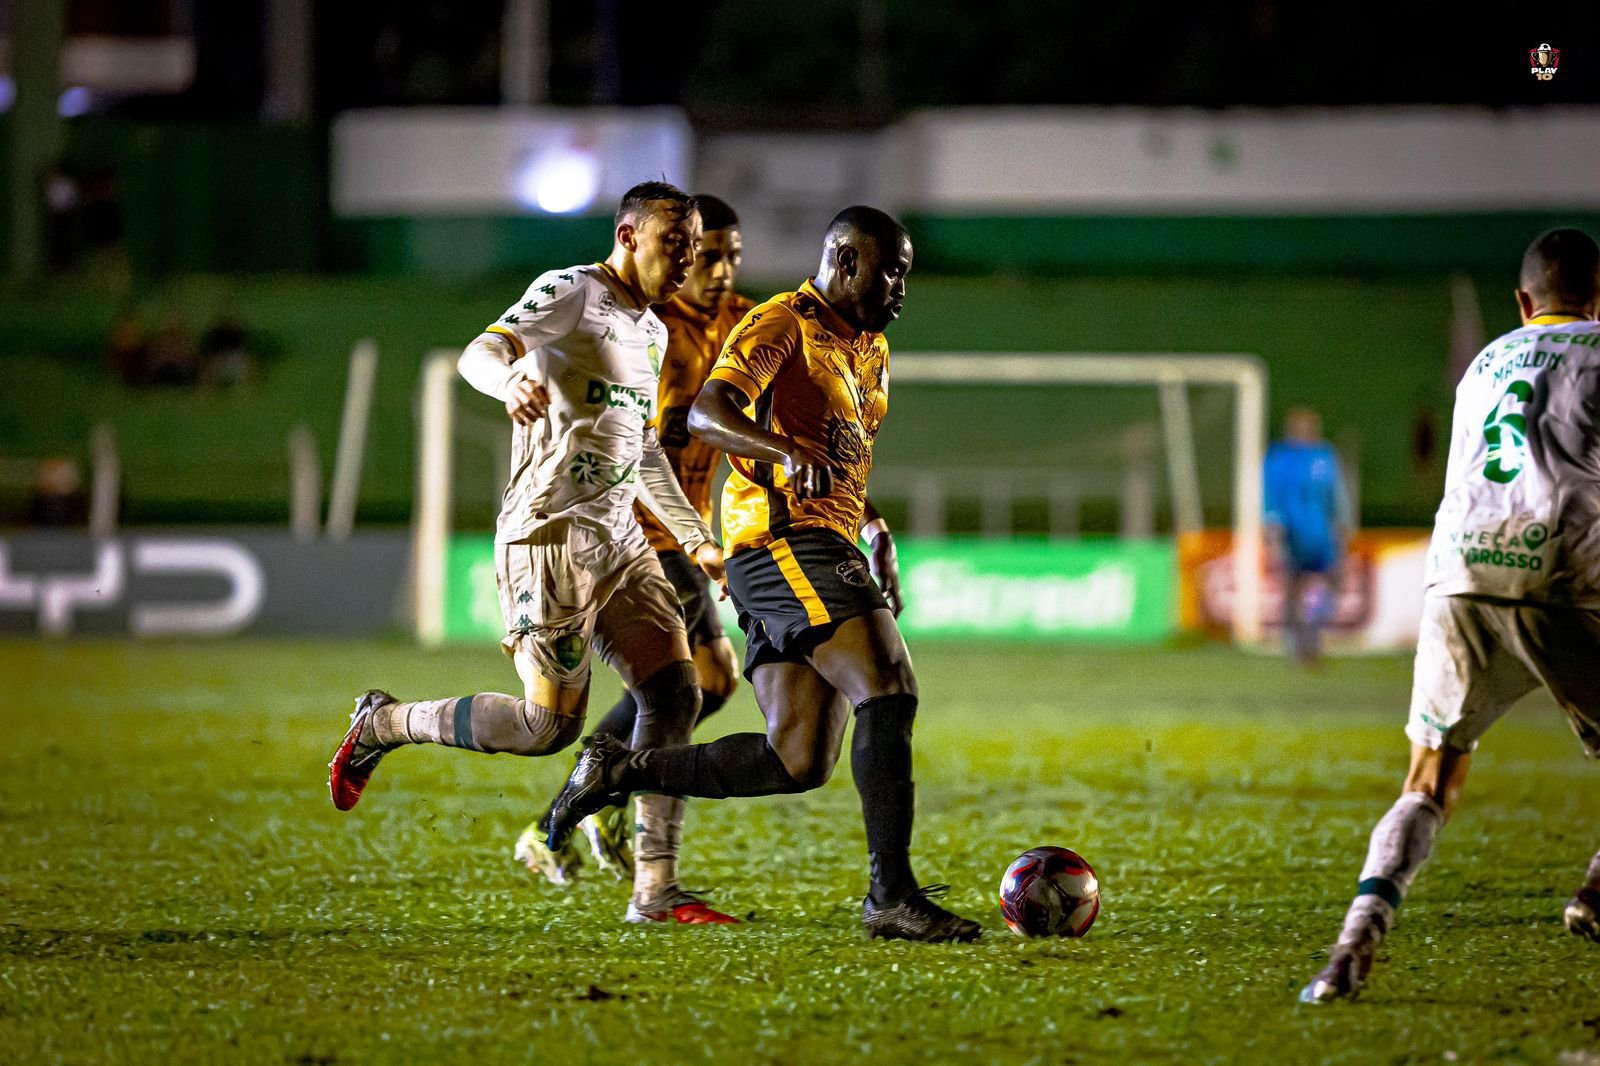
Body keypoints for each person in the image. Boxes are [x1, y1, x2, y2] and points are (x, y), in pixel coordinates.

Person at [543, 206, 981, 943]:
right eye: (891, 273)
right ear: (845, 262)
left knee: (797, 758)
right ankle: (891, 896)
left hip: (822, 539)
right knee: (889, 686)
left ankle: (617, 771)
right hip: (782, 542)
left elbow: (837, 457)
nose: (901, 289)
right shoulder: (781, 323)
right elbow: (709, 413)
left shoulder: (870, 346)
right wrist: (781, 452)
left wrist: (873, 526)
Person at [327, 181, 739, 926]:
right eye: (674, 243)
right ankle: (383, 724)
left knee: (677, 694)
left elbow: (643, 449)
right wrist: (509, 378)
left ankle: (655, 890)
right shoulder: (571, 290)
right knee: (547, 729)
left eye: (692, 246)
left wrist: (696, 539)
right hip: (549, 537)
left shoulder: (652, 331)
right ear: (628, 236)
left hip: (621, 542)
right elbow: (479, 353)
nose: (685, 260)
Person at [1301, 228, 1600, 1003]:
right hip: (1564, 568)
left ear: (1524, 301)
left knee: (1427, 780)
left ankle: (1350, 950)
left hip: (1462, 569)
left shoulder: (1485, 364)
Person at [514, 194, 753, 885]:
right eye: (704, 256)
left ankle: (586, 802)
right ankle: (587, 807)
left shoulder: (743, 325)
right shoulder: (643, 323)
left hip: (684, 527)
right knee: (690, 683)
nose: (717, 271)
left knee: (706, 682)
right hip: (636, 528)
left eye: (729, 257)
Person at [1263, 407, 1351, 665]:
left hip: (1322, 535)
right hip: (1292, 535)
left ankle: (1311, 631)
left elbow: (1337, 493)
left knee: (1333, 583)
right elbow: (1270, 495)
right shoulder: (1280, 458)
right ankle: (1296, 643)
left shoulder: (1323, 456)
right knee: (1293, 589)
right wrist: (1272, 524)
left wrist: (1343, 522)